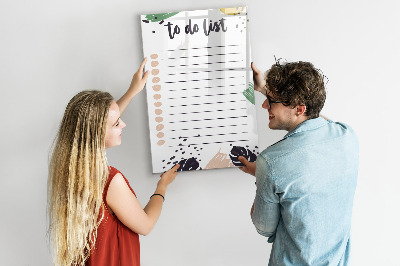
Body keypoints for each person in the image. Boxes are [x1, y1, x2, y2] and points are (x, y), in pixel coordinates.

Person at [47, 58, 180, 266]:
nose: (123, 125)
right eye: (117, 124)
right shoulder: (110, 181)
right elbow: (145, 225)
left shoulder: (70, 170)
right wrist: (162, 186)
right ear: (98, 133)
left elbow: (101, 122)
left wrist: (132, 91)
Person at [238, 61, 359, 265]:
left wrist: (263, 176)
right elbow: (316, 120)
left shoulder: (271, 162)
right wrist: (265, 89)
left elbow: (264, 227)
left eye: (271, 100)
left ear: (299, 108)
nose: (265, 105)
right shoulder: (347, 136)